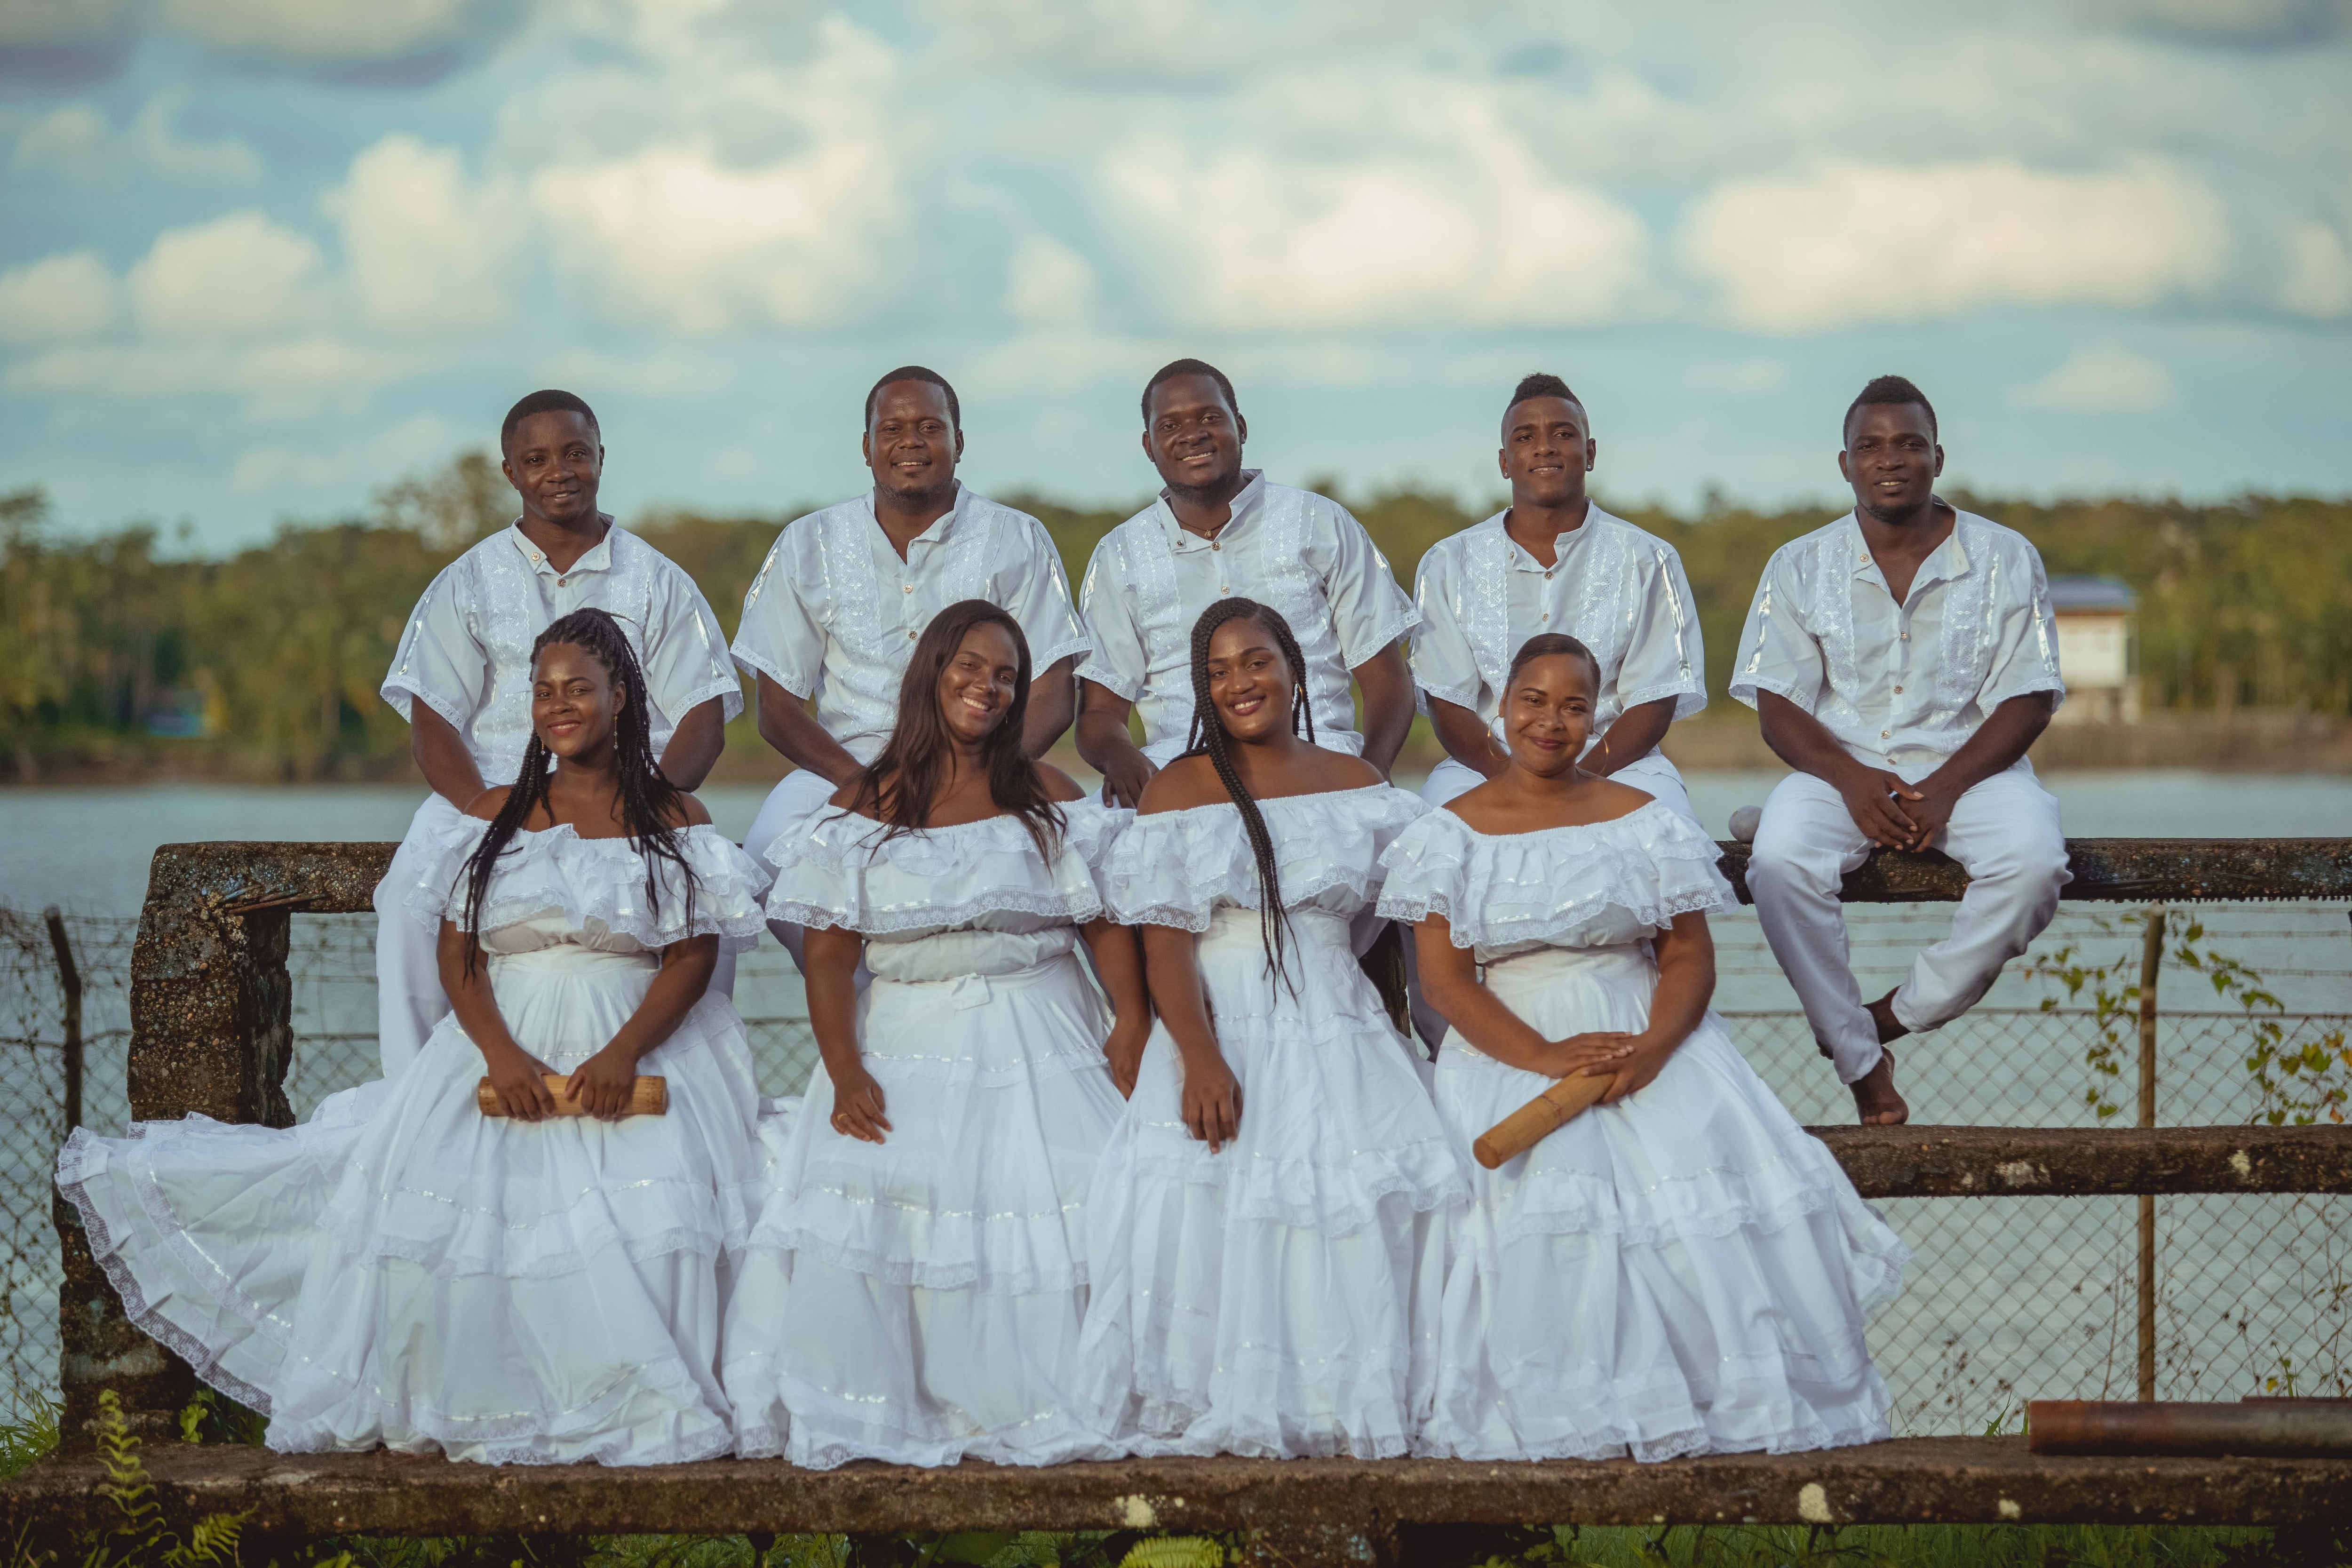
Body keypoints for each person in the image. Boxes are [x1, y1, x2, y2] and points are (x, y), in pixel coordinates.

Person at [58, 608, 770, 1464]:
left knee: (652, 1216)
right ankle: (491, 1397)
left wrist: (622, 1053)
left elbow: (691, 954)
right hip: (505, 1039)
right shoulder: (497, 812)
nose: (559, 705)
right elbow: (457, 949)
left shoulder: (672, 813)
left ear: (622, 697)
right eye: (543, 691)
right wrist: (502, 1055)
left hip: (635, 1039)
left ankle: (623, 1390)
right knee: (465, 1226)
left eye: (579, 687)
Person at [1380, 633, 1907, 1461]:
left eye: (1574, 704)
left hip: (1645, 1029)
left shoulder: (1643, 821)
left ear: (1599, 718)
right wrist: (1548, 1058)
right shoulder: (1446, 834)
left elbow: (1689, 953)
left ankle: (1702, 1394)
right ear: (1500, 707)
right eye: (1533, 700)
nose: (1551, 720)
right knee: (1549, 1201)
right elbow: (1444, 986)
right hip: (1511, 1046)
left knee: (1690, 1190)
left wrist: (1656, 1046)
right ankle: (1563, 1410)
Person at [723, 600, 1148, 1467]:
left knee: (1072, 1210)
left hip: (1045, 1031)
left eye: (1005, 675)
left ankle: (1044, 1398)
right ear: (930, 672)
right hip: (905, 1039)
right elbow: (831, 960)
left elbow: (1103, 922)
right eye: (969, 666)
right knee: (899, 1212)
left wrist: (1134, 1019)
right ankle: (914, 1403)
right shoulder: (863, 805)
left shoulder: (1048, 796)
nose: (986, 687)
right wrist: (843, 1070)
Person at [1076, 597, 1469, 1458]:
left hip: (1342, 1026)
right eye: (1216, 671)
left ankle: (1345, 1396)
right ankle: (1232, 1396)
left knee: (1350, 1204)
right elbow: (1166, 944)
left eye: (1255, 660)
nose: (1238, 682)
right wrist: (1203, 1057)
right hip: (1223, 1025)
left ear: (1295, 667)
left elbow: (1386, 925)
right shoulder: (1180, 789)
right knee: (1227, 1209)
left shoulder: (1360, 786)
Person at [1732, 375, 2069, 1126]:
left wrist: (1946, 788)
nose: (1891, 458)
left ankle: (1887, 1019)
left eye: (1910, 444)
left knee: (2036, 863)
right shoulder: (1799, 564)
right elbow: (1777, 704)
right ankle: (1860, 1062)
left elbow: (2031, 695)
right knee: (1780, 862)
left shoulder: (2006, 557)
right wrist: (1851, 781)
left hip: (1975, 769)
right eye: (1871, 445)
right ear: (1845, 464)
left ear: (1937, 457)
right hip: (1839, 771)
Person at [375, 390, 740, 1077]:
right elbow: (431, 715)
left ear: (601, 458)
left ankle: (693, 1076)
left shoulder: (658, 580)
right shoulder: (468, 581)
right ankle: (418, 1089)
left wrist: (651, 799)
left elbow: (705, 708)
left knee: (700, 899)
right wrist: (483, 805)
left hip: (626, 791)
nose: (559, 470)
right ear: (510, 472)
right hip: (490, 792)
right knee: (406, 899)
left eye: (576, 453)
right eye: (536, 459)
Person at [731, 367, 1089, 972]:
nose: (911, 441)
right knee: (768, 852)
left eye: (930, 427)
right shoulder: (807, 543)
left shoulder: (1016, 537)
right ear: (866, 445)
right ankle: (871, 1012)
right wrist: (867, 788)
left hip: (986, 758)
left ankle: (1127, 1028)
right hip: (847, 761)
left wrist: (983, 775)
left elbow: (1054, 687)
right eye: (891, 428)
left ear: (958, 441)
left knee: (1089, 855)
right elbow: (778, 707)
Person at [1074, 360, 1419, 809]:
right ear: (1149, 445)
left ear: (1240, 425)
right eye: (1170, 424)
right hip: (1182, 777)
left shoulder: (1320, 523)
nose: (1192, 434)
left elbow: (1386, 677)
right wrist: (1123, 759)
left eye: (1209, 418)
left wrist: (1372, 775)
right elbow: (1100, 713)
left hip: (1323, 767)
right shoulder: (1118, 556)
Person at [1410, 373, 1705, 820]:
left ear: (1589, 454)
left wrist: (1575, 781)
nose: (1544, 446)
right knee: (1436, 830)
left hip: (1619, 766)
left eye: (1563, 434)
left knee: (1670, 832)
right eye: (1525, 436)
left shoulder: (1650, 558)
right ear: (1505, 461)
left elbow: (1654, 699)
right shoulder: (1448, 561)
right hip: (1483, 766)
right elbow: (1447, 702)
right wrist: (1517, 781)